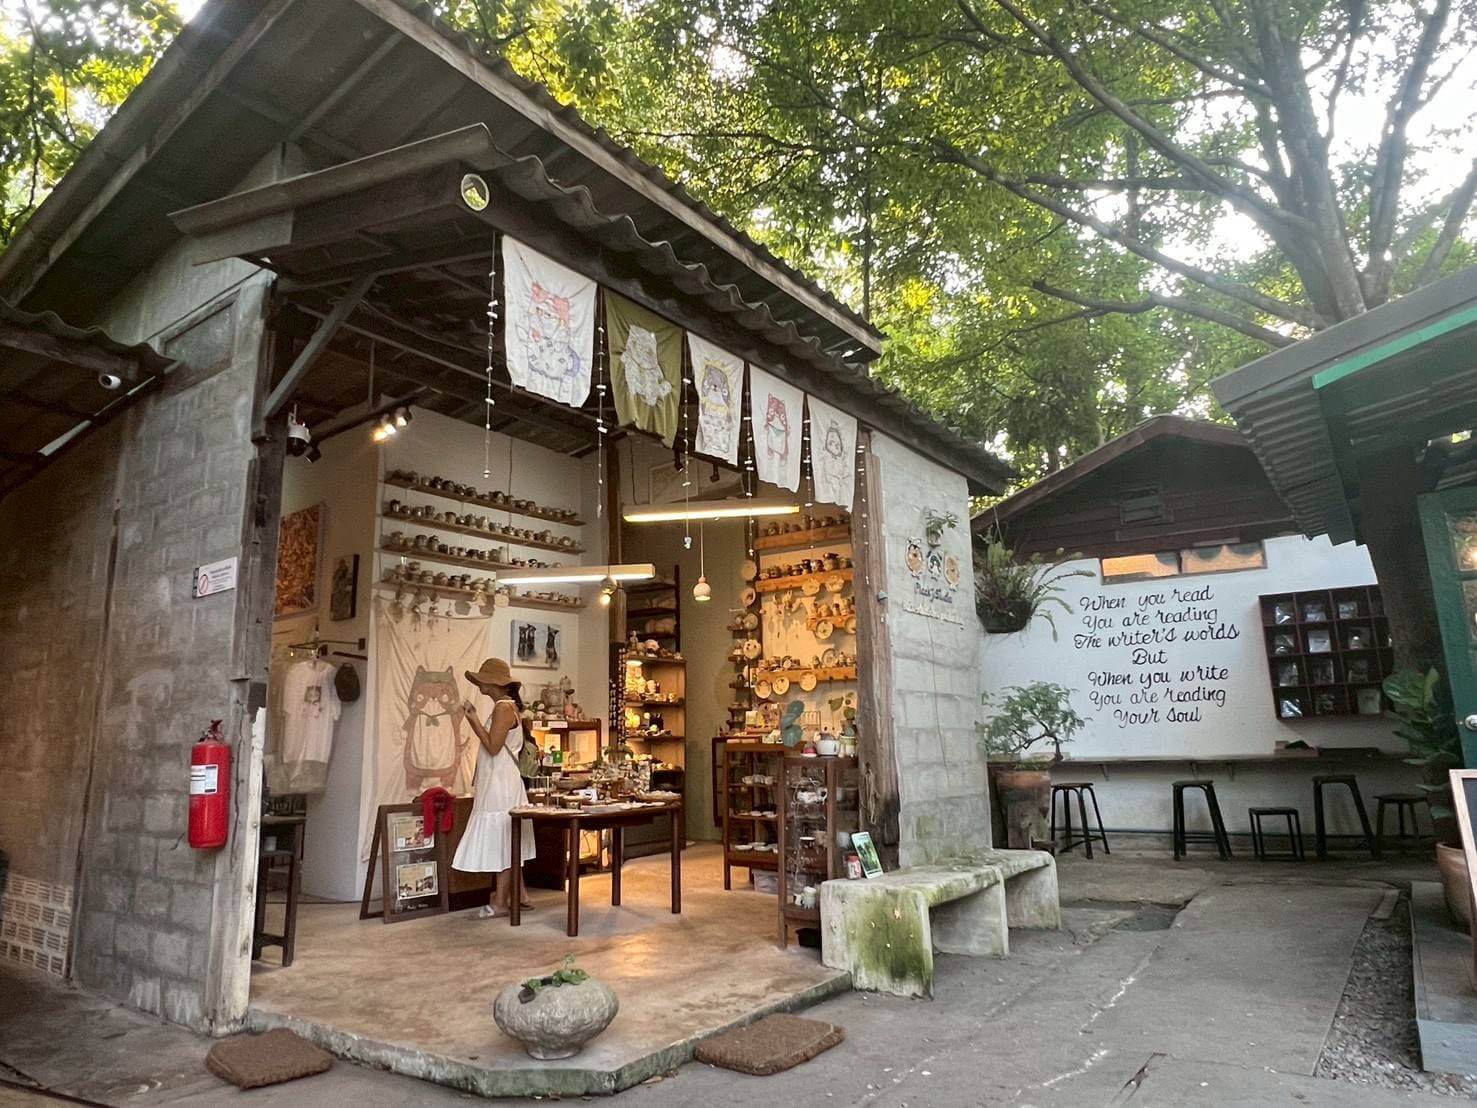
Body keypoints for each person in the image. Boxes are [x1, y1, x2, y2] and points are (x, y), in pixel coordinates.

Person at [451, 657, 536, 918]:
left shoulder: (503, 708)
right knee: (508, 837)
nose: (480, 685)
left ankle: (500, 902)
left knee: (503, 839)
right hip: (502, 780)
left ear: (492, 683)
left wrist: (473, 719)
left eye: (483, 680)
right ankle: (519, 894)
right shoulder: (507, 707)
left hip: (501, 783)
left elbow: (493, 746)